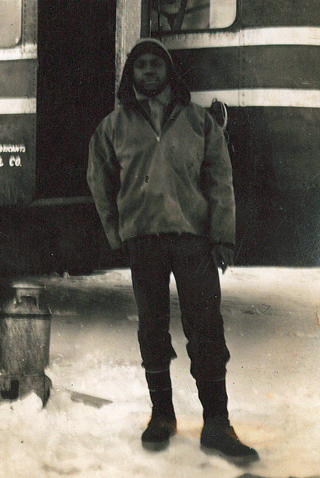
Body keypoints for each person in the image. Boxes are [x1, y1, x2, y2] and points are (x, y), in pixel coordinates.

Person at [87, 38, 259, 467]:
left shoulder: (200, 122)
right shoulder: (113, 126)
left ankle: (217, 424)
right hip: (144, 242)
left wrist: (222, 237)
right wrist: (117, 232)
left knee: (206, 327)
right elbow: (99, 181)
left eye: (155, 64)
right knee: (152, 328)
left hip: (194, 241)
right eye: (140, 65)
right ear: (131, 74)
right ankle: (162, 415)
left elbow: (221, 183)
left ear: (169, 72)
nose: (148, 71)